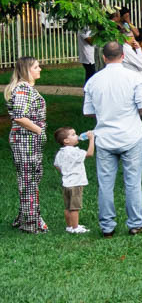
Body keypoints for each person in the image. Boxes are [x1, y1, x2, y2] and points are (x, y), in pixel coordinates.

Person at [83, 41, 142, 235]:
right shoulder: (134, 77)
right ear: (123, 56)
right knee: (133, 182)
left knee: (105, 184)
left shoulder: (93, 81)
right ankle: (135, 223)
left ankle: (107, 227)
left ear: (103, 57)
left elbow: (88, 111)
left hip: (105, 137)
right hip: (131, 135)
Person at [5, 56, 49, 233]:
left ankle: (27, 216)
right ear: (27, 70)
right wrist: (38, 130)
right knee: (29, 181)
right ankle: (30, 223)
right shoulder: (23, 89)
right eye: (36, 67)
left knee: (31, 179)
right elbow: (19, 117)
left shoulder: (25, 88)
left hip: (28, 140)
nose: (40, 69)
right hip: (25, 140)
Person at [52, 127, 94, 233]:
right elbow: (90, 153)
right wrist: (91, 139)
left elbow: (56, 164)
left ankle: (69, 226)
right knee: (75, 208)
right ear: (66, 140)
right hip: (76, 183)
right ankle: (75, 228)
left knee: (67, 207)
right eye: (73, 134)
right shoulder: (75, 151)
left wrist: (65, 172)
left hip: (66, 183)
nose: (77, 136)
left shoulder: (60, 152)